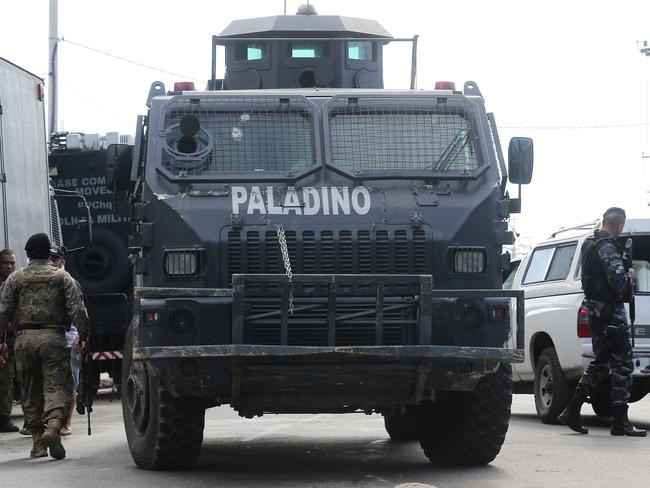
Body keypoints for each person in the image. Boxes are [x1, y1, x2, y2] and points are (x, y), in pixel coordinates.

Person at [558, 207, 646, 437]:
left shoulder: (590, 245)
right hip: (610, 314)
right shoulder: (608, 248)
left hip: (596, 313)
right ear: (619, 226)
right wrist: (631, 273)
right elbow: (620, 284)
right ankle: (620, 422)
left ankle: (572, 410)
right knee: (623, 366)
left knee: (602, 362)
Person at [0, 233, 89, 459]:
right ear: (49, 253)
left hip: (23, 340)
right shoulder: (63, 277)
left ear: (27, 254)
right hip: (53, 339)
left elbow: (3, 313)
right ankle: (53, 428)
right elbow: (78, 311)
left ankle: (37, 443)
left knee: (30, 389)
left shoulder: (15, 279)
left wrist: (1, 341)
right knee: (58, 387)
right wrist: (84, 337)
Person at [50, 245, 80, 435]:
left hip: (68, 334)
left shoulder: (70, 282)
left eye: (55, 258)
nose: (52, 262)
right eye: (49, 258)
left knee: (70, 382)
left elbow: (81, 312)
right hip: (47, 336)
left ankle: (66, 423)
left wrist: (81, 337)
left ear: (63, 262)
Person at [0, 249, 19, 433]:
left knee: (10, 378)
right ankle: (4, 418)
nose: (9, 266)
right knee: (4, 378)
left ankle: (5, 417)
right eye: (5, 263)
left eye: (12, 263)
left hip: (14, 339)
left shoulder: (16, 283)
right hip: (3, 339)